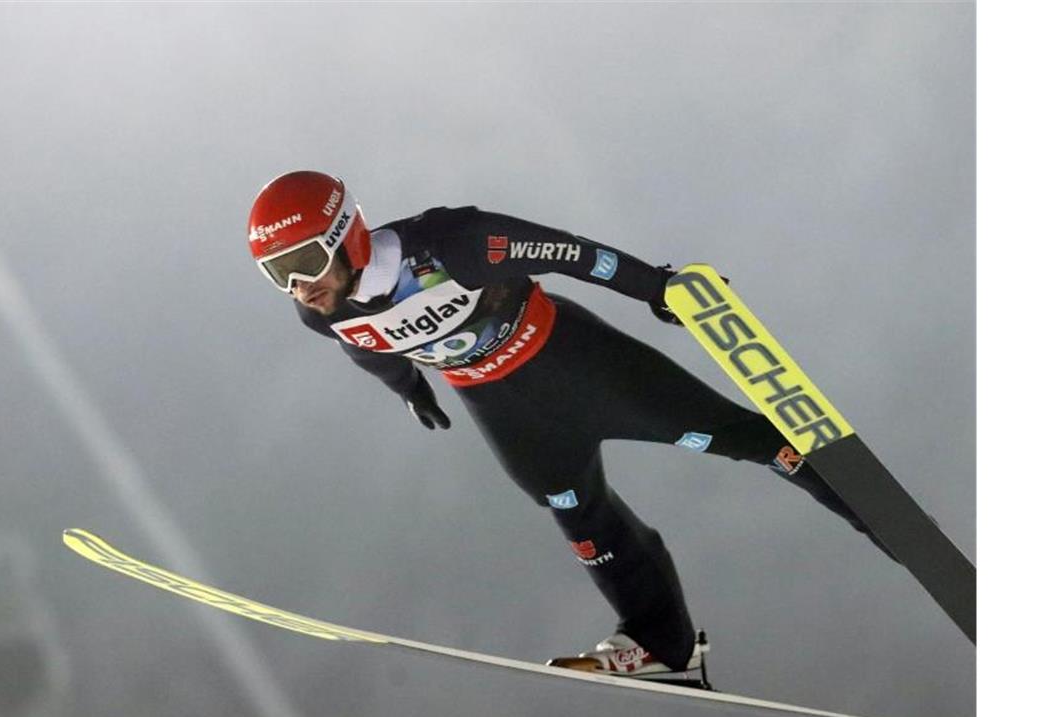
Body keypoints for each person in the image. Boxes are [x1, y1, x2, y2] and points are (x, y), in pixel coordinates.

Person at [245, 170, 893, 680]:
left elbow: (572, 254)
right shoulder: (322, 312)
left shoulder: (449, 245)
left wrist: (658, 289)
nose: (298, 287)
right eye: (278, 274)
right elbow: (368, 349)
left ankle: (877, 513)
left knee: (740, 437)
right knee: (581, 517)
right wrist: (412, 390)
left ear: (344, 237)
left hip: (576, 364)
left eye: (303, 262)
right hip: (502, 411)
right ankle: (663, 644)